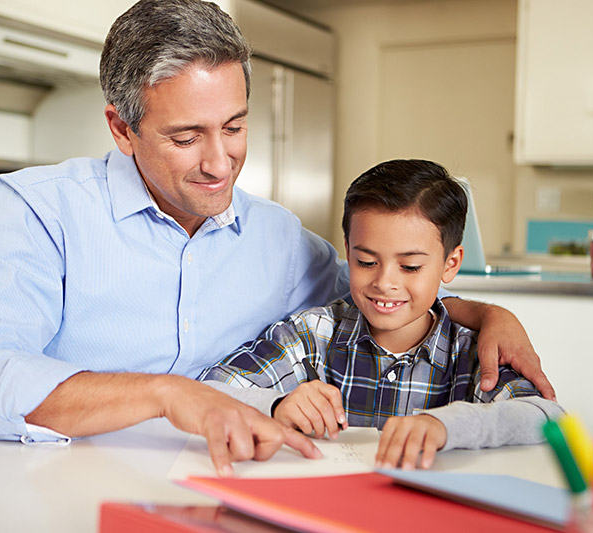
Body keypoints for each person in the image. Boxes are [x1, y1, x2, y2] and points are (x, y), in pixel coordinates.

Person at [0, 0, 553, 477]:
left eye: (233, 127)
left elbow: (379, 293)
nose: (219, 162)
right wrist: (167, 396)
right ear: (122, 129)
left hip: (223, 482)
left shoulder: (277, 238)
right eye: (186, 137)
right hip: (59, 483)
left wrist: (487, 313)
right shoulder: (38, 209)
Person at [201, 160, 564, 470]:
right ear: (348, 250)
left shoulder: (469, 352)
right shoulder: (314, 335)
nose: (384, 283)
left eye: (409, 267)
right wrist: (276, 404)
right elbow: (207, 389)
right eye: (366, 262)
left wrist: (449, 425)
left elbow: (548, 418)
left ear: (450, 264)